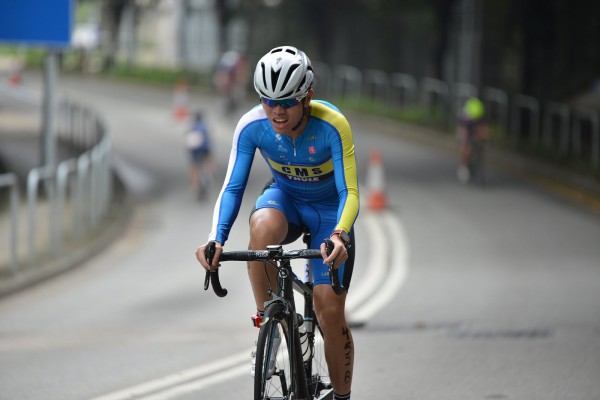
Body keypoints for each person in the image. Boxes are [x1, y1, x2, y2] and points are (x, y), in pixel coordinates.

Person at [195, 46, 359, 400]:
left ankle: (342, 396)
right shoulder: (252, 125)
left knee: (329, 311)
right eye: (268, 101)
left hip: (329, 212)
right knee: (261, 227)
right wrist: (216, 238)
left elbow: (349, 191)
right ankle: (269, 324)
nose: (277, 111)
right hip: (286, 200)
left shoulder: (332, 125)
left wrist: (340, 235)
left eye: (286, 101)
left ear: (307, 97)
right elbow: (233, 186)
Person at [456, 96, 489, 183]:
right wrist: (465, 142)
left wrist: (483, 139)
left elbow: (484, 129)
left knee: (481, 136)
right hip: (466, 129)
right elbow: (463, 132)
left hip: (476, 126)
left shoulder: (481, 115)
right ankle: (464, 166)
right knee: (465, 146)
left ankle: (478, 157)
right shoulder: (465, 117)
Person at [185, 111, 214, 198]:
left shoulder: (192, 126)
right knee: (208, 160)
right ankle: (209, 175)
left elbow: (188, 140)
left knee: (194, 167)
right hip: (205, 148)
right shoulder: (205, 126)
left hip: (195, 150)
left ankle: (194, 186)